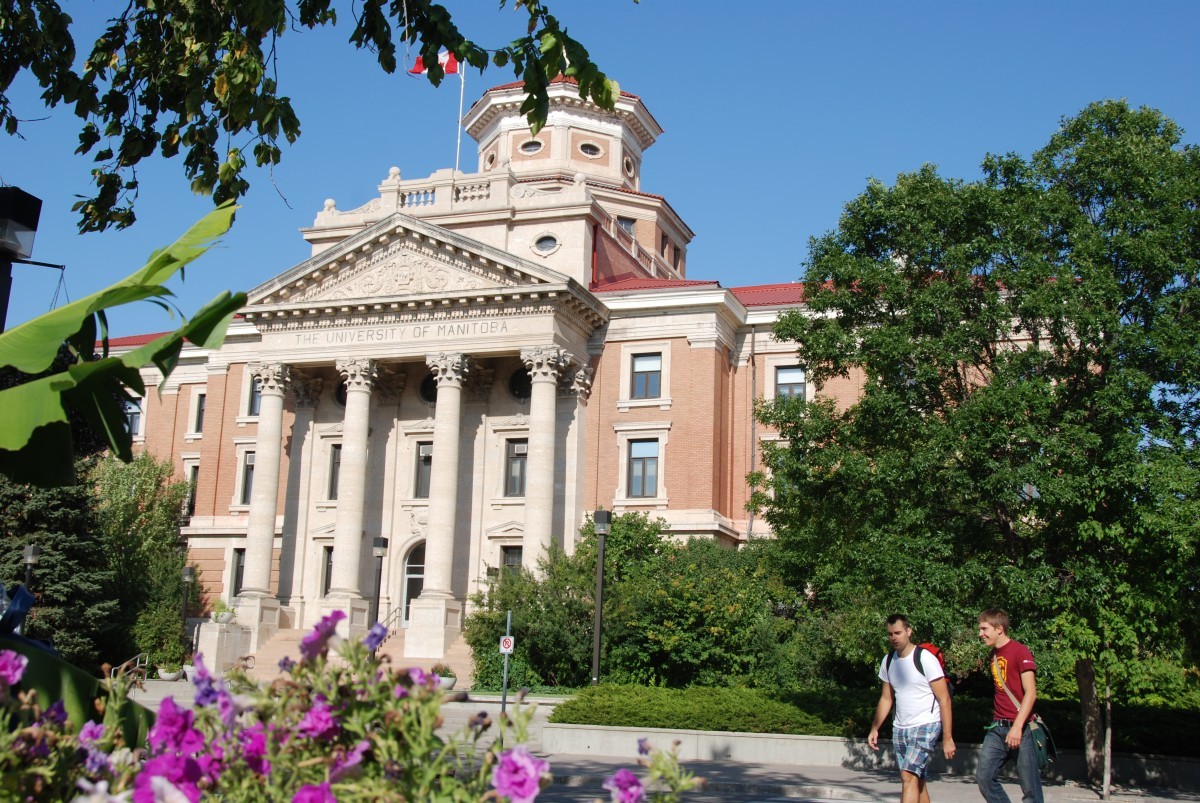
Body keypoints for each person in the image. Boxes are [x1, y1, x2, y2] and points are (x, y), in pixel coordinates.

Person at [868, 614, 956, 803]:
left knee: (907, 777)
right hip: (900, 727)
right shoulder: (889, 661)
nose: (894, 638)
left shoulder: (925, 659)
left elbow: (944, 699)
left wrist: (947, 738)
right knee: (917, 779)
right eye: (890, 634)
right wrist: (875, 728)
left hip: (926, 724)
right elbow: (886, 698)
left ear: (909, 631)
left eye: (898, 633)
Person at [976, 608, 1043, 803]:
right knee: (984, 777)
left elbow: (1031, 693)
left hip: (1022, 729)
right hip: (998, 728)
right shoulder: (993, 655)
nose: (980, 634)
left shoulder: (1020, 651)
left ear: (999, 628)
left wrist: (1017, 727)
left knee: (1031, 790)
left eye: (984, 629)